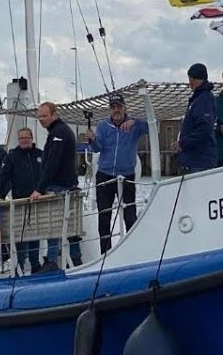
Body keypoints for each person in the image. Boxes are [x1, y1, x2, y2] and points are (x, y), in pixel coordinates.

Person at [84, 94, 149, 254]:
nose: (116, 110)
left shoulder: (134, 126)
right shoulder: (103, 126)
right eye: (113, 107)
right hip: (105, 175)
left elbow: (151, 126)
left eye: (119, 106)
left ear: (124, 107)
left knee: (130, 215)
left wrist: (135, 121)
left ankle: (132, 251)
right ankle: (105, 254)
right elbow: (98, 148)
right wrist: (92, 140)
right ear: (110, 110)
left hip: (127, 175)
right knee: (104, 216)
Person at [31, 102, 82, 270]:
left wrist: (39, 188)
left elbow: (53, 163)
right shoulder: (57, 131)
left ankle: (52, 262)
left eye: (44, 115)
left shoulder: (58, 133)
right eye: (39, 116)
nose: (41, 119)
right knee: (71, 229)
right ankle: (76, 260)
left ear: (54, 115)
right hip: (65, 185)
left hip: (59, 186)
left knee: (53, 227)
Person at [0, 127, 44, 274]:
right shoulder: (12, 156)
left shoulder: (40, 155)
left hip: (39, 200)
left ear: (32, 138)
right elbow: (3, 177)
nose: (24, 140)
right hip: (20, 202)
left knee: (36, 234)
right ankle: (19, 266)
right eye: (21, 138)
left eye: (26, 137)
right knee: (21, 237)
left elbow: (48, 174)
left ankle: (35, 265)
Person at [172, 63, 217, 174]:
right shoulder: (198, 98)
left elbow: (204, 128)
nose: (189, 82)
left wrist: (183, 143)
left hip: (199, 161)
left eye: (190, 78)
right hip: (193, 160)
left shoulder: (203, 99)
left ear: (193, 78)